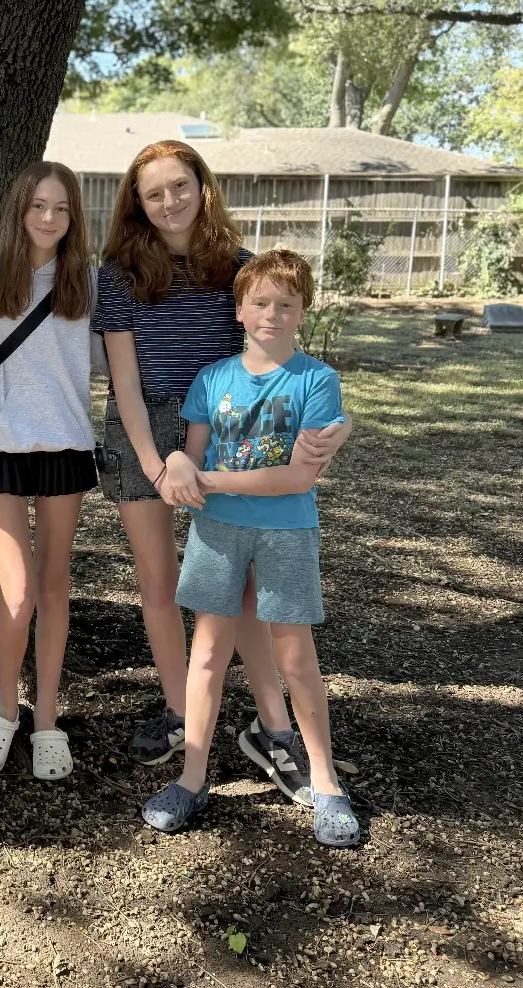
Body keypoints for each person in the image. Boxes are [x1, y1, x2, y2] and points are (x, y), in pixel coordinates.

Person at [93, 140, 352, 804]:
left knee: (239, 590)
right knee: (160, 584)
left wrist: (337, 424)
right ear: (137, 204)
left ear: (202, 187)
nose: (170, 201)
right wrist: (154, 464)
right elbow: (123, 379)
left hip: (223, 429)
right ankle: (184, 713)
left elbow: (276, 357)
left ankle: (274, 727)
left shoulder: (236, 267)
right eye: (154, 193)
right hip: (143, 431)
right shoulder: (119, 273)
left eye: (180, 186)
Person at [143, 248, 361, 848]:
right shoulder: (213, 379)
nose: (272, 314)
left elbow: (297, 478)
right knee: (208, 654)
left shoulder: (317, 380)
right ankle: (191, 779)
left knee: (296, 657)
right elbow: (191, 454)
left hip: (286, 531)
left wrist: (207, 479)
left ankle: (325, 782)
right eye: (260, 302)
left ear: (303, 311)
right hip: (217, 533)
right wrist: (180, 461)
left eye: (286, 304)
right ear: (239, 310)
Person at [0, 161, 96, 782]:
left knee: (53, 586)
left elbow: (113, 358)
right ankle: (4, 705)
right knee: (16, 594)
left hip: (65, 442)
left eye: (61, 208)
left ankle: (46, 717)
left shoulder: (87, 281)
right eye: (39, 205)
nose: (49, 218)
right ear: (19, 208)